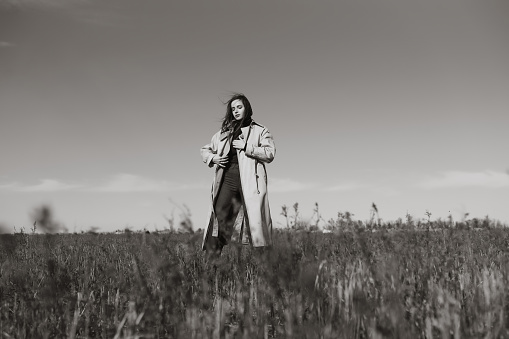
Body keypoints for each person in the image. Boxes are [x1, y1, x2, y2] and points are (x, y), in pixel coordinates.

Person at [200, 93, 275, 256]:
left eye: (239, 107)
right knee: (218, 218)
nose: (236, 111)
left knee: (255, 224)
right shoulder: (225, 132)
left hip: (250, 182)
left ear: (247, 108)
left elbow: (270, 153)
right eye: (233, 109)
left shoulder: (260, 130)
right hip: (227, 178)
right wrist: (214, 158)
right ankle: (213, 262)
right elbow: (205, 149)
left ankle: (264, 267)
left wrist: (247, 146)